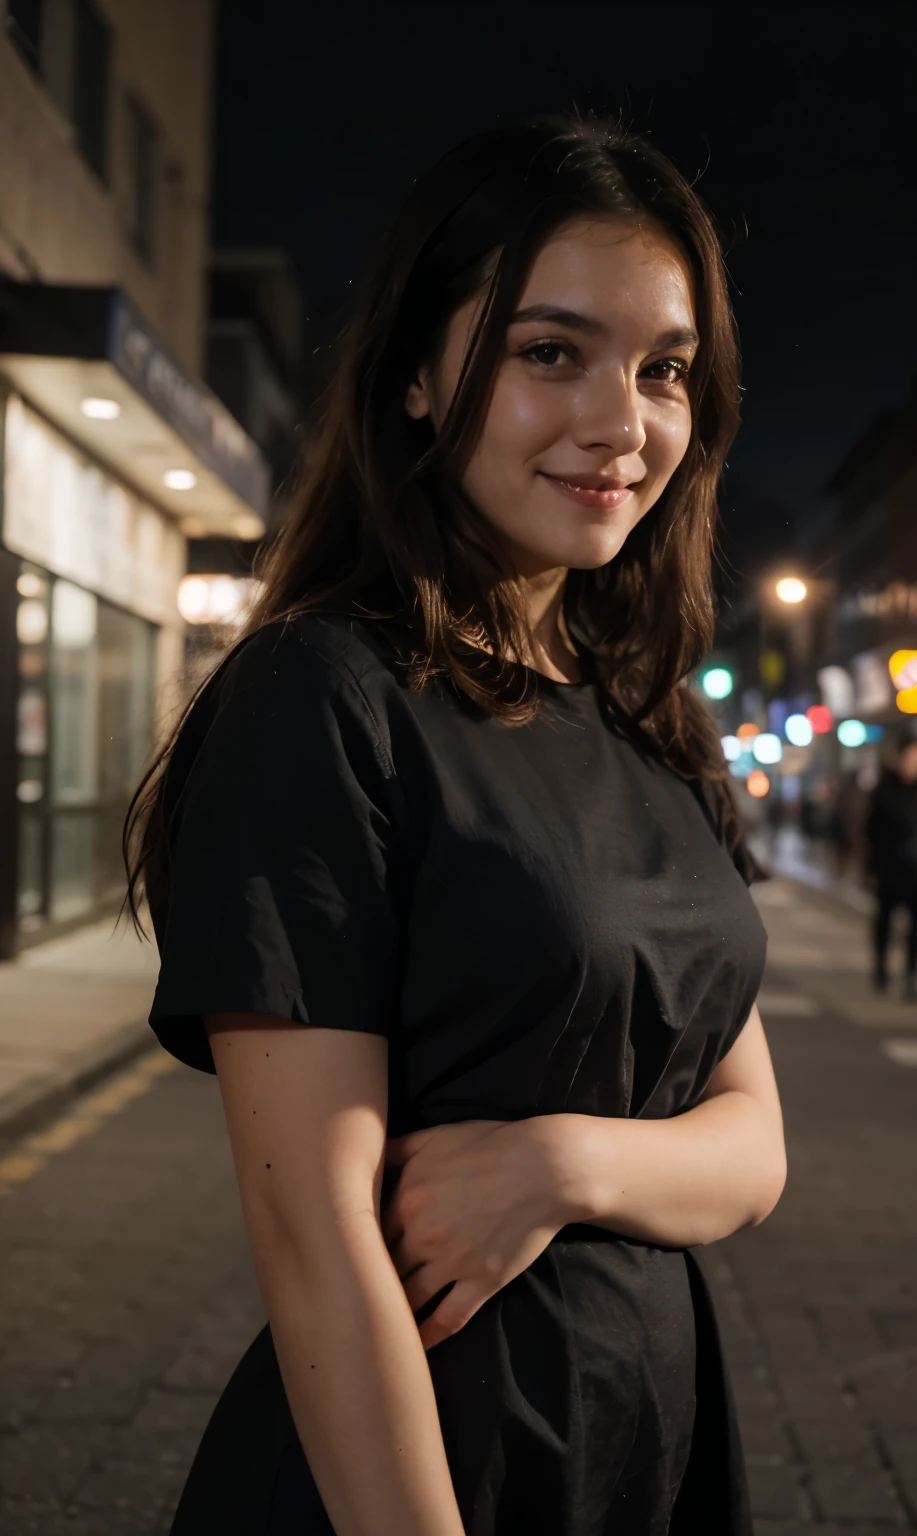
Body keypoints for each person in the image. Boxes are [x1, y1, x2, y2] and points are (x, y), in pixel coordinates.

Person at [125, 115, 785, 1536]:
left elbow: (755, 1146)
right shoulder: (323, 700)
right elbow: (314, 1242)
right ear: (422, 375)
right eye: (552, 353)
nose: (623, 422)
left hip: (648, 1449)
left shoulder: (650, 722)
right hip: (425, 1466)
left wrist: (563, 1163)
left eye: (663, 368)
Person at [865, 732, 917, 1001]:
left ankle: (912, 975)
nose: (915, 763)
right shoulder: (885, 788)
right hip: (890, 867)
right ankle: (881, 969)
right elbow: (872, 828)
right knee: (885, 921)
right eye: (910, 757)